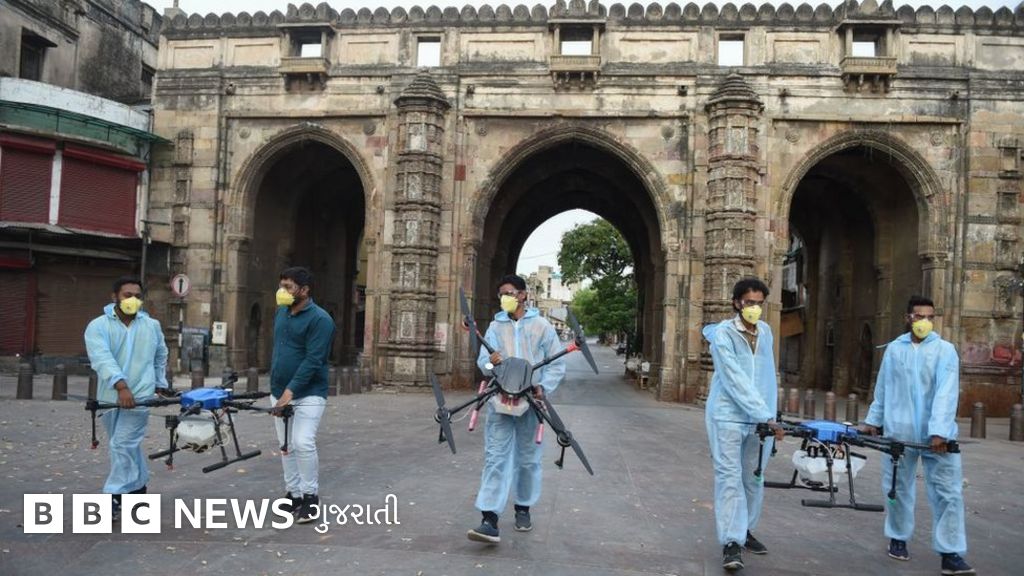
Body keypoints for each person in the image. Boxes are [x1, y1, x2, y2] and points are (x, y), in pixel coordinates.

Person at [861, 295, 974, 575]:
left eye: (929, 317)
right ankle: (898, 537)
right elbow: (883, 388)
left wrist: (939, 432)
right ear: (908, 318)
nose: (924, 322)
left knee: (948, 492)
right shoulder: (894, 350)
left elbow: (947, 393)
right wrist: (873, 421)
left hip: (937, 438)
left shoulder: (945, 350)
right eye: (919, 316)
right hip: (899, 432)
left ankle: (951, 553)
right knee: (897, 487)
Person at [467, 274, 566, 544]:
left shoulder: (542, 326)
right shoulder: (495, 327)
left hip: (530, 402)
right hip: (501, 399)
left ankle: (523, 507)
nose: (504, 298)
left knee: (528, 459)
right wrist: (492, 362)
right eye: (501, 294)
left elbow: (556, 364)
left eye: (509, 293)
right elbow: (484, 364)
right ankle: (489, 519)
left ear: (523, 295)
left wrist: (543, 387)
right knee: (495, 457)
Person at [702, 277, 784, 572]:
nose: (755, 308)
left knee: (754, 477)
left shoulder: (766, 332)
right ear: (737, 303)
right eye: (750, 302)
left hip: (759, 419)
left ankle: (745, 529)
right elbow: (734, 378)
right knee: (729, 477)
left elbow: (767, 376)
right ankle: (731, 542)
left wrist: (772, 415)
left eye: (759, 303)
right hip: (727, 415)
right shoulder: (723, 334)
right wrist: (765, 415)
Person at [84, 276, 171, 520]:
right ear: (115, 297)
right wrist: (121, 387)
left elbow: (160, 355)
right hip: (109, 397)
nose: (133, 300)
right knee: (125, 445)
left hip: (141, 397)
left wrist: (160, 383)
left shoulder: (151, 326)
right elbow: (101, 358)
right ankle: (138, 488)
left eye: (138, 296)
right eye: (127, 295)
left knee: (122, 444)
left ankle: (113, 496)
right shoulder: (98, 326)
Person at [270, 266, 335, 524]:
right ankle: (293, 494)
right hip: (279, 391)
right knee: (286, 445)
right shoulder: (281, 313)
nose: (282, 291)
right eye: (281, 286)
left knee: (303, 442)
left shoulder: (321, 320)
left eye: (288, 287)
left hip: (309, 392)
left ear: (304, 290)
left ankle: (310, 496)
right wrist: (279, 388)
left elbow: (314, 359)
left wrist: (291, 390)